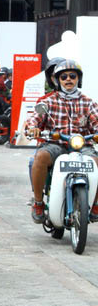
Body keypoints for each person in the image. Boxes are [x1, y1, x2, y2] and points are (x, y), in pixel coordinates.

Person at [25, 60, 98, 223]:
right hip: (55, 145)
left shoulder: (88, 102)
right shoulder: (49, 101)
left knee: (96, 161)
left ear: (79, 79)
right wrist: (32, 128)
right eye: (63, 77)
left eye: (72, 76)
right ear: (58, 80)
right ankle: (38, 202)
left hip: (82, 146)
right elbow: (34, 118)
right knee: (40, 157)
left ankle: (95, 203)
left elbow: (96, 121)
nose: (68, 79)